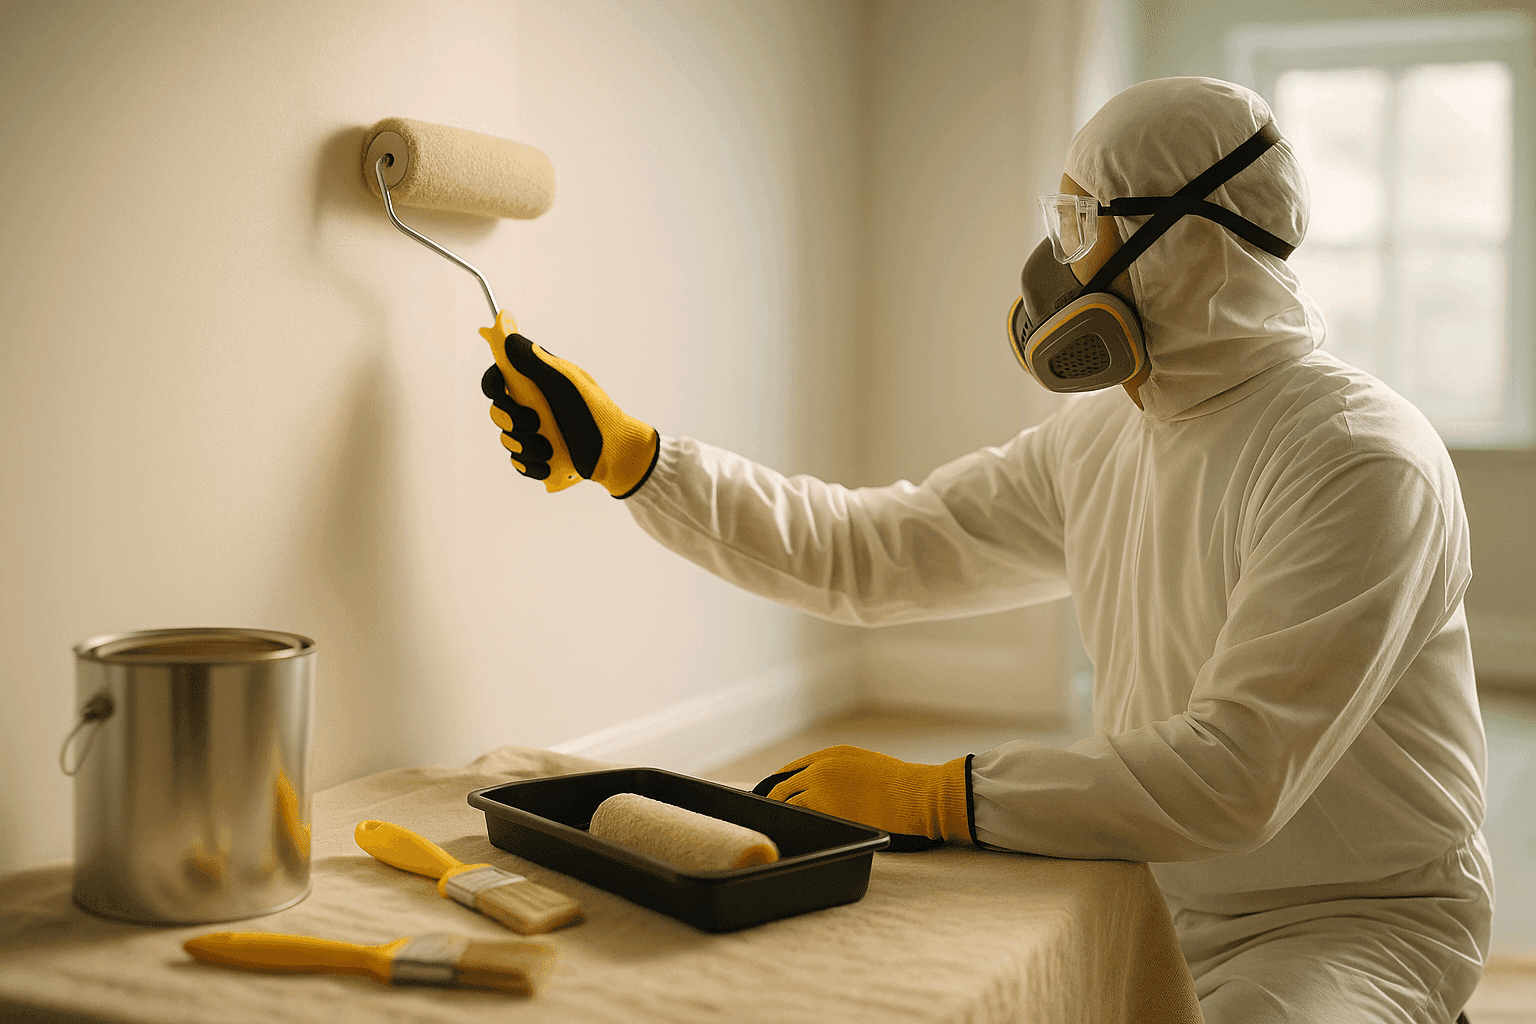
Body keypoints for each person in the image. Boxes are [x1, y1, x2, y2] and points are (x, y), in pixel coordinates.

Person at [479, 77, 1491, 1024]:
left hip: (1345, 927)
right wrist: (638, 461)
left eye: (1079, 224)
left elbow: (1232, 775)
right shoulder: (1105, 435)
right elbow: (869, 552)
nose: (1054, 263)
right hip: (1138, 883)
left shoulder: (1355, 459)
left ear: (1180, 243)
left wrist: (936, 795)